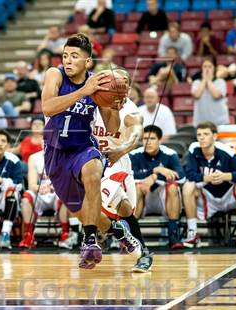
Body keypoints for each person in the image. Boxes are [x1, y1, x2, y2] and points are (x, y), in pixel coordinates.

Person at [42, 33, 140, 269]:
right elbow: (48, 107)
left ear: (87, 62)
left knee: (93, 172)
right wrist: (82, 92)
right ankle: (117, 230)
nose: (67, 60)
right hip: (55, 154)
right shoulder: (55, 74)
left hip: (83, 147)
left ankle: (89, 241)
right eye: (65, 55)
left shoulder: (99, 84)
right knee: (83, 213)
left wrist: (114, 106)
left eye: (74, 56)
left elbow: (113, 128)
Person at [93, 70, 153, 272]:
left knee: (102, 203)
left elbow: (136, 131)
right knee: (125, 209)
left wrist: (121, 147)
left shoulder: (130, 107)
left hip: (116, 161)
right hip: (92, 160)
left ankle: (105, 237)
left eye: (124, 83)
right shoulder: (92, 102)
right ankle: (140, 250)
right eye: (116, 82)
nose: (121, 86)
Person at [182, 122, 236, 248]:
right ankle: (192, 233)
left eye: (206, 134)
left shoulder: (225, 151)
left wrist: (227, 176)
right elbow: (189, 174)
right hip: (207, 198)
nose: (202, 138)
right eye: (199, 135)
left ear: (215, 136)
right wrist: (207, 178)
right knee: (188, 186)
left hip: (228, 197)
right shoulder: (194, 150)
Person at [130, 125, 186, 249]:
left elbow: (181, 177)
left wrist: (155, 177)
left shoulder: (170, 154)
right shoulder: (134, 154)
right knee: (137, 186)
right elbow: (129, 176)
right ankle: (131, 238)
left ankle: (174, 235)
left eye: (152, 138)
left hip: (163, 200)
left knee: (173, 187)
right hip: (143, 198)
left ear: (160, 140)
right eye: (145, 139)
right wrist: (156, 170)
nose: (148, 142)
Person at [19, 148, 73, 249]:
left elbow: (66, 181)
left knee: (66, 194)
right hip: (40, 192)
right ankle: (28, 235)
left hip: (57, 192)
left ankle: (65, 234)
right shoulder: (34, 157)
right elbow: (32, 185)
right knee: (26, 197)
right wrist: (40, 188)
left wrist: (52, 188)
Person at [191, 57, 229, 127]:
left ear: (214, 68)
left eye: (210, 66)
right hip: (201, 123)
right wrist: (204, 80)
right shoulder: (196, 82)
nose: (207, 69)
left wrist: (208, 81)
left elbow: (216, 95)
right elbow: (197, 95)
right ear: (201, 68)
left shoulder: (221, 82)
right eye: (205, 66)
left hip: (220, 122)